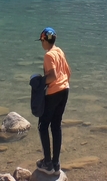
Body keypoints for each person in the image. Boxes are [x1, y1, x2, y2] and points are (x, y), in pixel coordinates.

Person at [36, 27, 71, 176]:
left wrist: (41, 83)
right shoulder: (59, 51)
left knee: (43, 126)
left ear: (45, 40)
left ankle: (47, 163)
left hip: (54, 92)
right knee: (56, 125)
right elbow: (68, 72)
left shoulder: (49, 55)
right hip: (65, 90)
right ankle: (56, 163)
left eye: (41, 41)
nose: (41, 44)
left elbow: (53, 76)